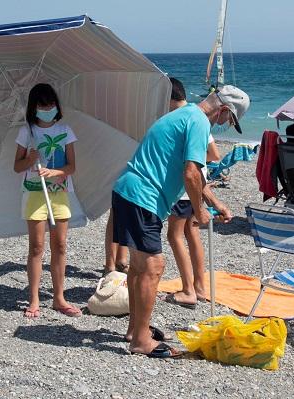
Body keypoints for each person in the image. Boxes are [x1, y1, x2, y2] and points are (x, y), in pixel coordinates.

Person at [112, 84, 249, 358]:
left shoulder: (186, 114)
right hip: (143, 196)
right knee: (153, 266)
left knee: (140, 266)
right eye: (228, 120)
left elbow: (195, 173)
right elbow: (190, 174)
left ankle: (135, 330)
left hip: (128, 190)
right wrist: (199, 211)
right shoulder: (200, 123)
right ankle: (140, 340)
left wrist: (215, 203)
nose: (224, 124)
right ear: (223, 110)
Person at [13, 83, 81, 318]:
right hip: (34, 193)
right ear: (34, 107)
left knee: (60, 245)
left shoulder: (66, 130)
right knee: (36, 247)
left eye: (51, 105)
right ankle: (34, 299)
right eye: (43, 106)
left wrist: (55, 172)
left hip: (59, 193)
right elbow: (16, 167)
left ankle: (59, 297)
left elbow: (72, 166)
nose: (48, 109)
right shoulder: (27, 132)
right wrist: (30, 159)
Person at [165, 77, 224, 308]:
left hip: (185, 187)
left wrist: (188, 160)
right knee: (192, 233)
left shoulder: (180, 118)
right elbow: (213, 155)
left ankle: (189, 289)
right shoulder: (197, 117)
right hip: (198, 184)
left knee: (175, 235)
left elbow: (213, 155)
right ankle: (199, 286)